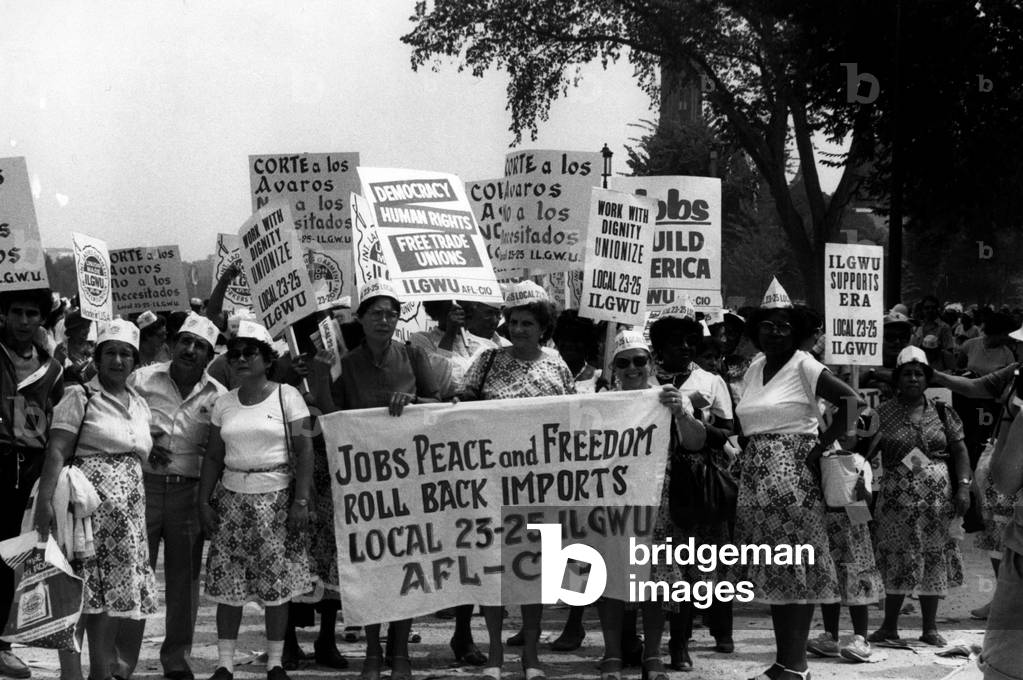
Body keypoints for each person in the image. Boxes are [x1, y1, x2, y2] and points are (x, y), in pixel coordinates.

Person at [308, 279, 441, 680]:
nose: (384, 320)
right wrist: (318, 376)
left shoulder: (414, 355)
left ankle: (399, 653)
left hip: (410, 479)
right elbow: (333, 418)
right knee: (371, 565)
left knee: (406, 564)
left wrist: (413, 401)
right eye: (376, 313)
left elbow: (441, 404)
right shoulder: (344, 363)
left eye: (391, 313)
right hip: (364, 484)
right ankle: (371, 652)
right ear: (361, 319)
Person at [732, 280, 861, 680]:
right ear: (756, 331)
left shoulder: (804, 363)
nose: (775, 332)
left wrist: (821, 444)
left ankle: (797, 665)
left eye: (784, 325)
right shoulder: (755, 367)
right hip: (756, 479)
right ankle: (783, 661)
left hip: (793, 479)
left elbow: (851, 402)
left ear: (797, 331)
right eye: (767, 325)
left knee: (796, 569)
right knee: (775, 572)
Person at [459, 281, 575, 680]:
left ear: (543, 327)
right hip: (488, 483)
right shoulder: (486, 360)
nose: (519, 329)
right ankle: (494, 655)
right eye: (513, 321)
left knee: (532, 570)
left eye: (528, 322)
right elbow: (459, 411)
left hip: (538, 484)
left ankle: (530, 656)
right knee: (492, 569)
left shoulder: (558, 367)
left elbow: (573, 423)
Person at [33, 320, 158, 680]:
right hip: (84, 517)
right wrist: (44, 505)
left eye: (125, 354)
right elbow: (57, 451)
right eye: (111, 353)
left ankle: (100, 673)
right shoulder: (80, 395)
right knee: (74, 597)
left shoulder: (138, 402)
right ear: (98, 358)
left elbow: (138, 450)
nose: (118, 361)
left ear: (134, 361)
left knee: (107, 601)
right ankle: (71, 674)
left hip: (127, 520)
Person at [198, 321, 314, 680]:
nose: (241, 359)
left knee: (277, 587)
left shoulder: (289, 396)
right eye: (234, 355)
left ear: (267, 359)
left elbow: (306, 448)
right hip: (232, 501)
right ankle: (225, 663)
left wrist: (301, 501)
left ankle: (276, 661)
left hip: (277, 500)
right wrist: (204, 500)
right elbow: (214, 456)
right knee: (228, 586)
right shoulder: (223, 403)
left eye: (250, 353)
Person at [115, 313, 226, 680]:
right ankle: (121, 662)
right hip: (142, 488)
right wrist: (145, 441)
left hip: (190, 493)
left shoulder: (219, 396)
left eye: (199, 346)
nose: (189, 350)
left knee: (184, 584)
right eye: (185, 342)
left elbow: (218, 450)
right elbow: (116, 416)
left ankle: (177, 661)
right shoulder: (141, 378)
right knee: (134, 576)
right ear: (173, 343)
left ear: (209, 356)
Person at [595, 330, 708, 680]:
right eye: (623, 362)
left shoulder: (669, 398)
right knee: (610, 577)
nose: (632, 368)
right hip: (611, 501)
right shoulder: (597, 402)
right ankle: (612, 653)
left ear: (651, 362)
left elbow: (696, 443)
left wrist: (682, 415)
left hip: (657, 502)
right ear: (614, 368)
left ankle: (653, 655)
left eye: (639, 360)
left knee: (656, 582)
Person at [648, 303, 736, 669]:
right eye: (674, 341)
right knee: (652, 566)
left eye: (689, 340)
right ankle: (638, 641)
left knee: (688, 566)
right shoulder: (642, 377)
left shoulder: (711, 381)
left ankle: (679, 642)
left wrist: (695, 418)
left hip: (694, 480)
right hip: (649, 480)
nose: (684, 347)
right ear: (658, 347)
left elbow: (727, 431)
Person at [869, 346, 970, 647]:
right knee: (896, 557)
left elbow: (960, 451)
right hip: (896, 500)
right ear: (896, 379)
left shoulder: (942, 411)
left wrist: (964, 485)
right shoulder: (880, 413)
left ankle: (929, 628)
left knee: (933, 555)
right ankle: (889, 626)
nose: (913, 378)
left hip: (936, 499)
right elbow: (863, 452)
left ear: (927, 378)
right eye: (907, 374)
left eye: (919, 373)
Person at [0, 288, 64, 680]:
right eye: (17, 313)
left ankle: (3, 644)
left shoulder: (52, 369)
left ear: (42, 320)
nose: (24, 321)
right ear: (3, 315)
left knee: (12, 556)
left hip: (28, 470)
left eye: (32, 315)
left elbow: (60, 417)